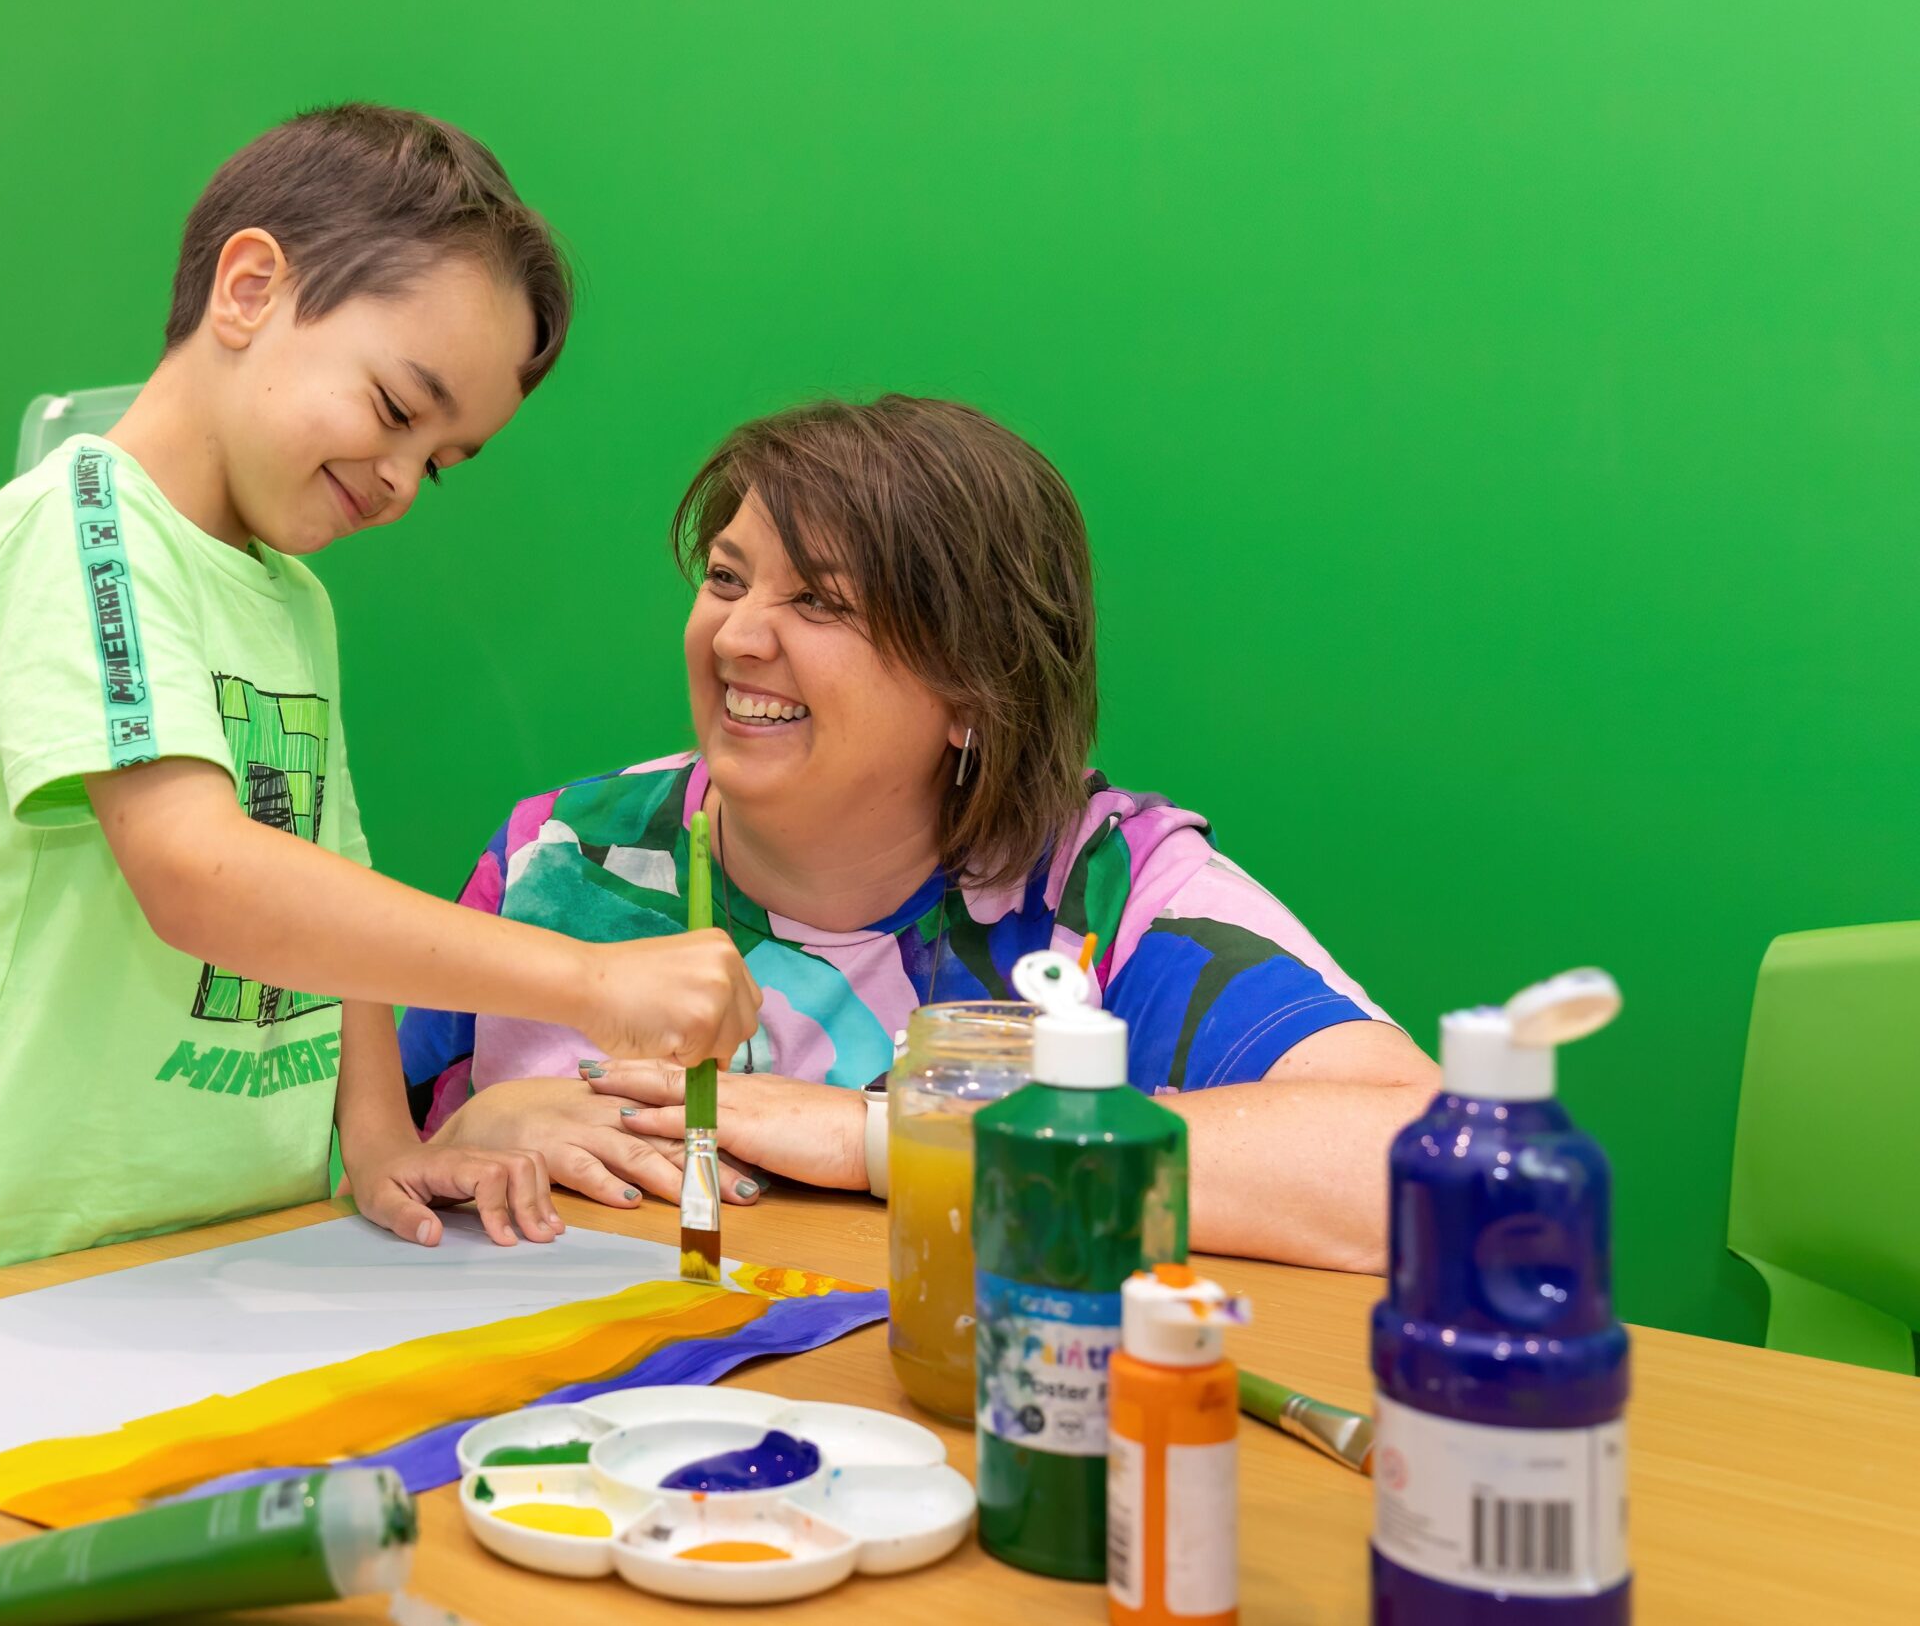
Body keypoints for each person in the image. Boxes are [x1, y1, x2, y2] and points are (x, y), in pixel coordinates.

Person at [0, 106, 760, 1305]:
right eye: (400, 412)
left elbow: (327, 889)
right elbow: (197, 871)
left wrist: (380, 1143)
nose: (404, 482)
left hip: (213, 1254)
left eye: (442, 464)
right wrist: (590, 981)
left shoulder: (291, 601)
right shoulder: (85, 525)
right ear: (248, 290)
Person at [400, 394, 1437, 1273]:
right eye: (725, 578)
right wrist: (458, 1135)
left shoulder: (1103, 896)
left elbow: (1428, 1169)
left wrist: (886, 1141)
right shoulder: (555, 856)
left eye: (819, 602)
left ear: (974, 691)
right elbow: (343, 1165)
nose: (736, 636)